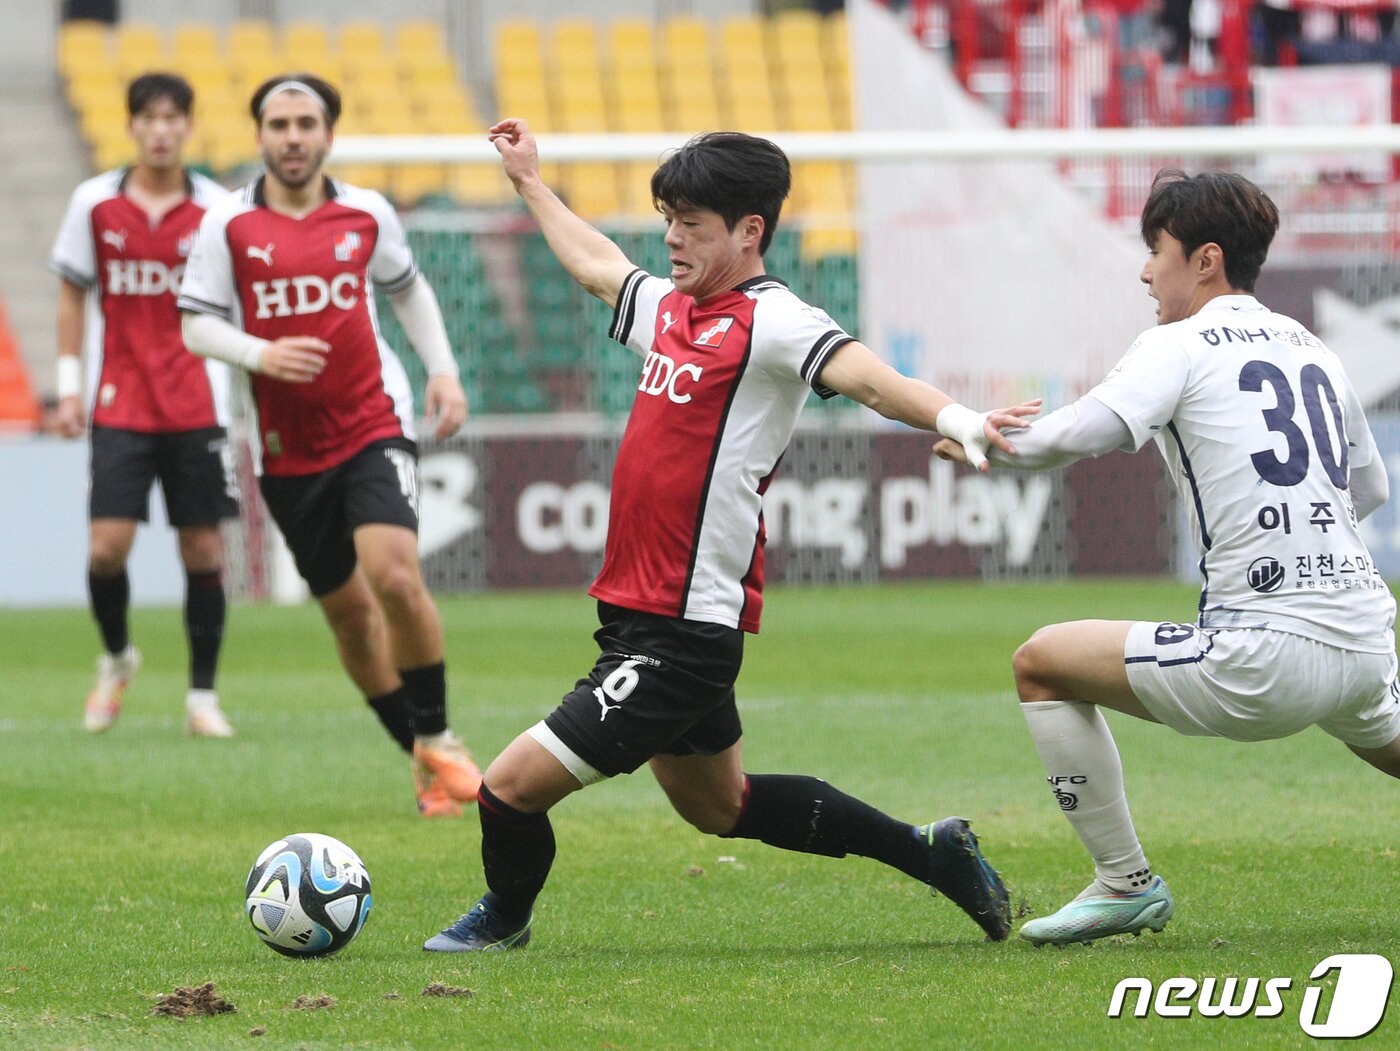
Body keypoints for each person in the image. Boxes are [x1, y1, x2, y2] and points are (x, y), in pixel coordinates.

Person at [422, 119, 1040, 953]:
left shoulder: (774, 321)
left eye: (693, 223)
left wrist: (958, 417)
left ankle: (504, 919)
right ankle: (933, 853)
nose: (672, 236)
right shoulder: (675, 310)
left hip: (682, 632)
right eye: (669, 217)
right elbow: (602, 267)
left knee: (505, 791)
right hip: (641, 616)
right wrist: (530, 182)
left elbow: (868, 377)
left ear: (751, 231)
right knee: (721, 805)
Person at [935, 169, 1397, 946]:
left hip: (1263, 656)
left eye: (1157, 250)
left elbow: (1089, 428)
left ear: (1205, 259)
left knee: (1041, 662)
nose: (1147, 271)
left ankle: (1126, 882)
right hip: (1365, 636)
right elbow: (1372, 486)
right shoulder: (1313, 345)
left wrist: (989, 440)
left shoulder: (1179, 343)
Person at [176, 74, 483, 817]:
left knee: (395, 576)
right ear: (260, 136)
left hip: (374, 420)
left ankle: (440, 735)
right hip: (287, 450)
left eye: (305, 122)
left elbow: (406, 288)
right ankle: (418, 752)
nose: (291, 136)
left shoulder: (366, 213)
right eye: (278, 123)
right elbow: (195, 322)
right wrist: (258, 352)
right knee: (348, 615)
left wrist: (441, 369)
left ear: (328, 134)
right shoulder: (227, 224)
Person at [50, 72, 238, 739]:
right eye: (148, 118)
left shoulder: (218, 209)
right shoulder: (94, 203)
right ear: (130, 126)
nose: (160, 130)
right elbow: (72, 291)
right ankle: (117, 656)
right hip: (120, 399)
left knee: (203, 548)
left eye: (172, 118)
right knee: (107, 549)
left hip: (196, 399)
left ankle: (202, 696)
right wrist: (69, 382)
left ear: (189, 126)